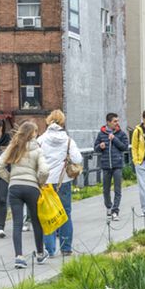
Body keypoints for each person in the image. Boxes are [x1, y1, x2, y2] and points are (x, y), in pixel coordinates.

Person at [0, 122, 51, 268]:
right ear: (32, 134)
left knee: (17, 223)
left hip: (15, 188)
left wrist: (10, 178)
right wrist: (39, 183)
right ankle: (39, 253)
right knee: (36, 221)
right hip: (32, 188)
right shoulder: (38, 149)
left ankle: (19, 257)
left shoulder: (13, 147)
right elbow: (44, 170)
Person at [38, 110, 84, 257]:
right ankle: (66, 248)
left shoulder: (41, 140)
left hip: (46, 183)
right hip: (63, 181)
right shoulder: (68, 140)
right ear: (62, 122)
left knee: (48, 214)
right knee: (66, 213)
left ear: (48, 121)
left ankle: (50, 250)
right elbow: (77, 159)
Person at [94, 112, 129, 221]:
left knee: (117, 189)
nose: (117, 123)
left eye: (117, 121)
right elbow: (95, 148)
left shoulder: (121, 134)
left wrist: (114, 139)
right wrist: (100, 146)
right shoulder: (101, 134)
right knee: (106, 189)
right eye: (115, 121)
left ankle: (115, 211)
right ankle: (109, 206)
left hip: (117, 165)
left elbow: (125, 147)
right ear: (108, 122)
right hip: (105, 165)